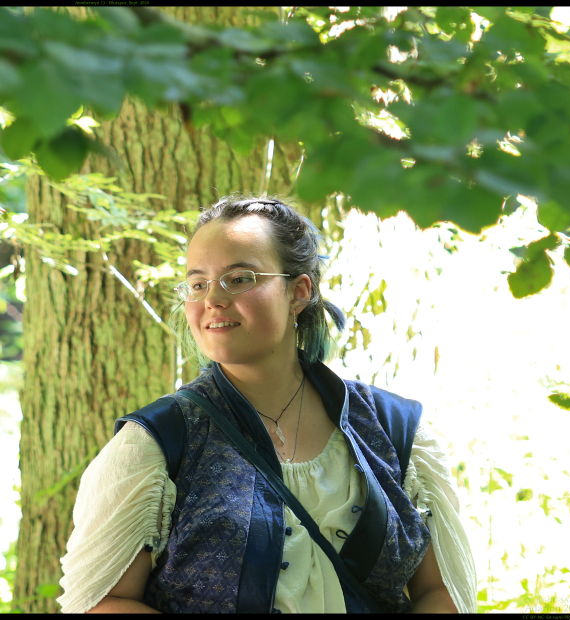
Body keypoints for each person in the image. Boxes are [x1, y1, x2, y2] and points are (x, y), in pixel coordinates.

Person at [57, 195, 477, 613]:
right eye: (198, 283)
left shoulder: (393, 429)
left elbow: (440, 594)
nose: (212, 299)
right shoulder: (159, 443)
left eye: (239, 278)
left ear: (299, 291)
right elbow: (101, 603)